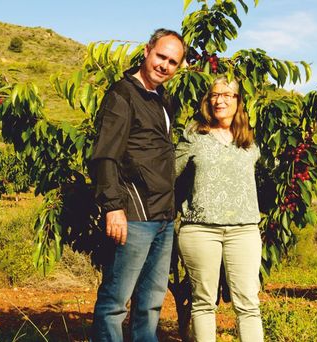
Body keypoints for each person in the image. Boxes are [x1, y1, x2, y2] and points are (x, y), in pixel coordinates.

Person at [89, 28, 186, 342]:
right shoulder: (123, 94)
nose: (164, 65)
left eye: (172, 62)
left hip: (162, 217)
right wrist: (113, 207)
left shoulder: (161, 98)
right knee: (115, 303)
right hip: (133, 215)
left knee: (150, 303)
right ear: (146, 51)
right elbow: (104, 156)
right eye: (161, 56)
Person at [175, 76, 264, 341]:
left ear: (238, 101)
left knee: (248, 303)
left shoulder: (248, 141)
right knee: (203, 302)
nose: (219, 100)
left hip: (244, 230)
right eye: (214, 95)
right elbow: (169, 175)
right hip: (200, 230)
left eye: (227, 94)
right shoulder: (193, 136)